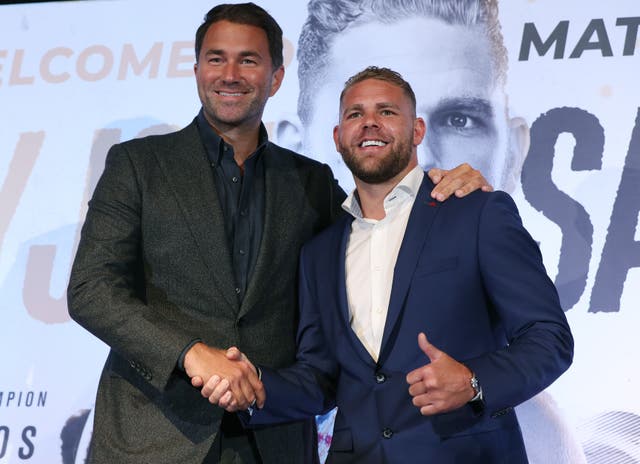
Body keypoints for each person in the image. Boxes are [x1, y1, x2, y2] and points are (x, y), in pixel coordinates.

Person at [66, 3, 489, 464]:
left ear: (276, 78)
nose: (230, 73)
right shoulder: (138, 165)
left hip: (275, 440)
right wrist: (189, 353)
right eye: (215, 58)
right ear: (195, 71)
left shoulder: (312, 183)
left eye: (248, 60)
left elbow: (385, 239)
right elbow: (91, 289)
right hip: (153, 439)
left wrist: (448, 187)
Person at [203, 67, 574, 463]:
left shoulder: (477, 212)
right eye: (355, 114)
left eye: (387, 112)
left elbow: (549, 337)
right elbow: (320, 377)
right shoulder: (320, 252)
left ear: (417, 130)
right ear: (338, 137)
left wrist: (474, 381)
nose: (369, 124)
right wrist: (257, 386)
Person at [276, 0, 529, 194]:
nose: (420, 158)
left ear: (513, 153)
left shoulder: (500, 240)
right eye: (360, 117)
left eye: (458, 121)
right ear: (294, 152)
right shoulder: (313, 257)